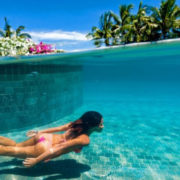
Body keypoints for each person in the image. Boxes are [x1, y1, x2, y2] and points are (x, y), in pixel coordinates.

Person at [0, 111, 103, 168]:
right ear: (93, 126)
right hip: (45, 147)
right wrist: (37, 160)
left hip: (44, 137)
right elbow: (59, 147)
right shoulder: (84, 139)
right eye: (101, 124)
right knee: (10, 151)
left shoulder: (74, 125)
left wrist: (39, 133)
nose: (102, 127)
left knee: (16, 146)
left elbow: (57, 129)